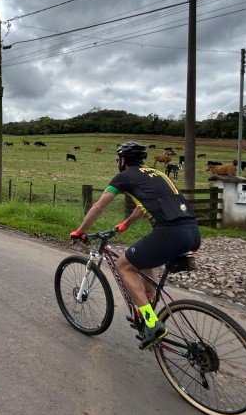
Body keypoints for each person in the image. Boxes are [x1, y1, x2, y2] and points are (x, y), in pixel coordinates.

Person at [70, 141, 201, 348]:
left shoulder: (124, 177)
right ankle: (147, 305)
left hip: (170, 232)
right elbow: (144, 206)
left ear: (122, 160)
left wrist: (80, 230)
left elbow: (99, 205)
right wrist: (126, 223)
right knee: (141, 259)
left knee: (124, 264)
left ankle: (151, 323)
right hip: (193, 232)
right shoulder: (158, 174)